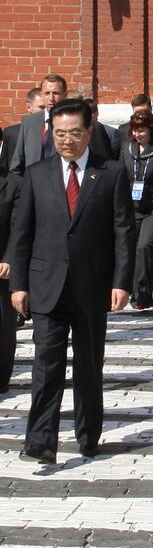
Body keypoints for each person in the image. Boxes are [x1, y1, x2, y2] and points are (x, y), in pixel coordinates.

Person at [11, 98, 135, 463]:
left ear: (89, 132)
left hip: (91, 286)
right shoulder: (37, 174)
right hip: (46, 285)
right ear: (50, 133)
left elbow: (123, 232)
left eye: (75, 133)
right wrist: (19, 283)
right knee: (45, 364)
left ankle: (87, 434)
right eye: (60, 133)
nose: (67, 140)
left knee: (88, 365)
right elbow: (22, 234)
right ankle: (40, 439)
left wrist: (122, 281)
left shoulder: (110, 173)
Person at [121, 113, 153, 310]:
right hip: (130, 206)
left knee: (145, 246)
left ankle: (142, 294)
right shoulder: (126, 150)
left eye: (142, 129)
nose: (138, 134)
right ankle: (127, 288)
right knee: (129, 248)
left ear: (151, 130)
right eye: (135, 129)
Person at [0, 139, 21, 391]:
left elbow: (19, 228)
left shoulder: (13, 184)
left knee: (4, 323)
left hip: (2, 265)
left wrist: (9, 257)